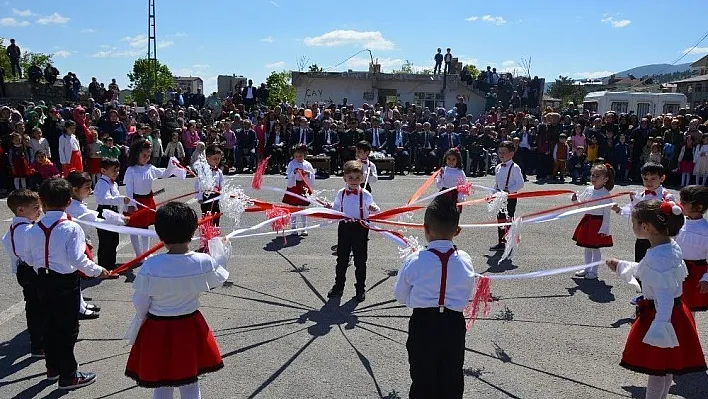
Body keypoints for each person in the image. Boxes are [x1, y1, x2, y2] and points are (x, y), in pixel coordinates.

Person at [124, 202, 228, 397]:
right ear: (193, 230)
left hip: (157, 327)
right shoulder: (203, 261)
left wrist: (143, 317)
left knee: (162, 382)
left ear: (160, 235)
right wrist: (220, 249)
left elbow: (140, 300)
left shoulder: (152, 265)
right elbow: (217, 279)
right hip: (190, 325)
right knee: (190, 380)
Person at [606, 199, 706, 399]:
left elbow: (664, 293)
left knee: (657, 369)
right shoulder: (670, 246)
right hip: (674, 314)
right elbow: (648, 271)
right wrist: (620, 265)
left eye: (633, 223)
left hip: (662, 316)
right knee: (666, 368)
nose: (633, 227)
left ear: (646, 227)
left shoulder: (658, 255)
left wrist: (661, 326)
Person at [26, 178, 110, 390]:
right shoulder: (71, 227)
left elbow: (29, 257)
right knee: (67, 329)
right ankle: (69, 375)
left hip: (41, 281)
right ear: (68, 200)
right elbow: (78, 259)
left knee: (49, 325)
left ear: (43, 202)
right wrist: (98, 271)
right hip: (64, 282)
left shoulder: (34, 228)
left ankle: (52, 368)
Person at [394, 195, 476, 398]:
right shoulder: (465, 260)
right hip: (453, 324)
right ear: (457, 231)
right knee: (452, 373)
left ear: (425, 228)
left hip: (423, 322)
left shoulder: (415, 260)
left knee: (422, 374)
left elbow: (400, 295)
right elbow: (468, 291)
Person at [326, 160, 380, 302]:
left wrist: (373, 208)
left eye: (357, 178)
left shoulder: (366, 194)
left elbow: (374, 208)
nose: (354, 181)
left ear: (362, 178)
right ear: (345, 178)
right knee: (341, 259)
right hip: (344, 228)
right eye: (351, 178)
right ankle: (338, 286)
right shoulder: (341, 193)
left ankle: (360, 288)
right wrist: (328, 206)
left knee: (360, 260)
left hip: (360, 229)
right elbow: (336, 208)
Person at [123, 139, 185, 257]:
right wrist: (131, 204)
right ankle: (138, 254)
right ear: (136, 154)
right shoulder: (131, 170)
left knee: (145, 228)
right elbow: (129, 190)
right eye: (144, 155)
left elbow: (165, 174)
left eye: (148, 155)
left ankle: (146, 253)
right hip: (135, 202)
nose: (146, 158)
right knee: (134, 229)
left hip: (147, 201)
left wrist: (171, 166)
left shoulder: (150, 168)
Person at [2, 189, 44, 358]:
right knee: (39, 308)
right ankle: (39, 344)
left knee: (33, 306)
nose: (39, 210)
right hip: (32, 271)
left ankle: (37, 342)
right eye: (35, 208)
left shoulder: (12, 229)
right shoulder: (28, 231)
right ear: (20, 210)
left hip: (22, 270)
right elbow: (33, 255)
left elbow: (11, 250)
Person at [614, 162, 675, 262]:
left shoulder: (667, 197)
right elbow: (634, 210)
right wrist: (619, 210)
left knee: (657, 264)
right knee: (640, 263)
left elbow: (672, 216)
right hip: (642, 235)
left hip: (659, 236)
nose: (649, 182)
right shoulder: (641, 195)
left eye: (653, 179)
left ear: (662, 178)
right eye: (645, 179)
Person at [65, 171, 105, 320]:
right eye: (87, 187)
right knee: (75, 277)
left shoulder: (75, 203)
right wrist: (121, 221)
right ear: (75, 190)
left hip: (78, 242)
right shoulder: (76, 207)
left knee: (76, 277)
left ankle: (81, 304)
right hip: (74, 246)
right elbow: (99, 220)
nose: (90, 190)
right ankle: (78, 308)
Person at [571, 163, 616, 280]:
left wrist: (605, 228)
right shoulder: (588, 189)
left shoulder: (605, 194)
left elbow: (607, 213)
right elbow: (582, 205)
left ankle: (594, 271)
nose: (593, 178)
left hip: (597, 223)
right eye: (592, 175)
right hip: (587, 220)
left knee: (595, 248)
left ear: (605, 179)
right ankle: (586, 269)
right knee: (587, 247)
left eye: (597, 176)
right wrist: (575, 201)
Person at [675, 185, 708, 317]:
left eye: (684, 202)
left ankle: (687, 335)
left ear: (699, 207)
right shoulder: (678, 222)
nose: (680, 204)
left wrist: (706, 278)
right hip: (676, 269)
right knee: (670, 304)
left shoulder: (705, 229)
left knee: (688, 310)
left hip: (695, 274)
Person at [94, 158, 130, 270]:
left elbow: (115, 200)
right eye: (113, 170)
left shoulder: (112, 183)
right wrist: (121, 199)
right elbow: (104, 199)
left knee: (114, 240)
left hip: (112, 212)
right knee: (106, 241)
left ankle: (111, 263)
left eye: (117, 170)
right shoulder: (102, 183)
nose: (116, 173)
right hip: (104, 212)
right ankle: (104, 267)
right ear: (103, 171)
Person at [491, 141, 524, 251]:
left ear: (511, 154)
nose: (501, 155)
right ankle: (501, 241)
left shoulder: (514, 167)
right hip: (500, 197)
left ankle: (509, 241)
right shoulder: (498, 167)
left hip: (510, 197)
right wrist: (493, 193)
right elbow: (496, 183)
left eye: (504, 152)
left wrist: (509, 190)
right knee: (500, 219)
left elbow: (520, 183)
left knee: (508, 218)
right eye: (499, 152)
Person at [283, 144, 315, 234]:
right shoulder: (292, 163)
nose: (298, 158)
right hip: (294, 186)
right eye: (296, 156)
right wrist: (293, 172)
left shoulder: (307, 164)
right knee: (293, 207)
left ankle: (304, 227)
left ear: (304, 155)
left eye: (300, 156)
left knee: (303, 208)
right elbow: (288, 174)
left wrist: (308, 174)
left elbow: (312, 174)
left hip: (303, 187)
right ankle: (293, 227)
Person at [195, 144, 224, 225]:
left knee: (216, 212)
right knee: (206, 213)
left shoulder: (219, 172)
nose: (217, 161)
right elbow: (198, 184)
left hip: (216, 196)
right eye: (215, 158)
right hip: (206, 196)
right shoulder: (204, 171)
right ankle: (206, 229)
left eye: (219, 159)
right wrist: (199, 197)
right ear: (207, 158)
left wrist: (223, 192)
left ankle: (215, 228)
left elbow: (221, 183)